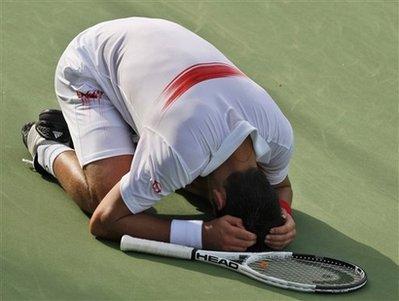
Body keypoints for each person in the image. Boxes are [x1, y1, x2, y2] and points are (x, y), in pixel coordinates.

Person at [22, 17, 296, 251]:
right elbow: (105, 220)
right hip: (89, 64)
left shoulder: (280, 136)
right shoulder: (179, 151)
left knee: (182, 171)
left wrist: (283, 210)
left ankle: (129, 138)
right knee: (102, 196)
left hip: (151, 42)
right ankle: (49, 143)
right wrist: (205, 234)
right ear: (219, 201)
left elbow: (281, 186)